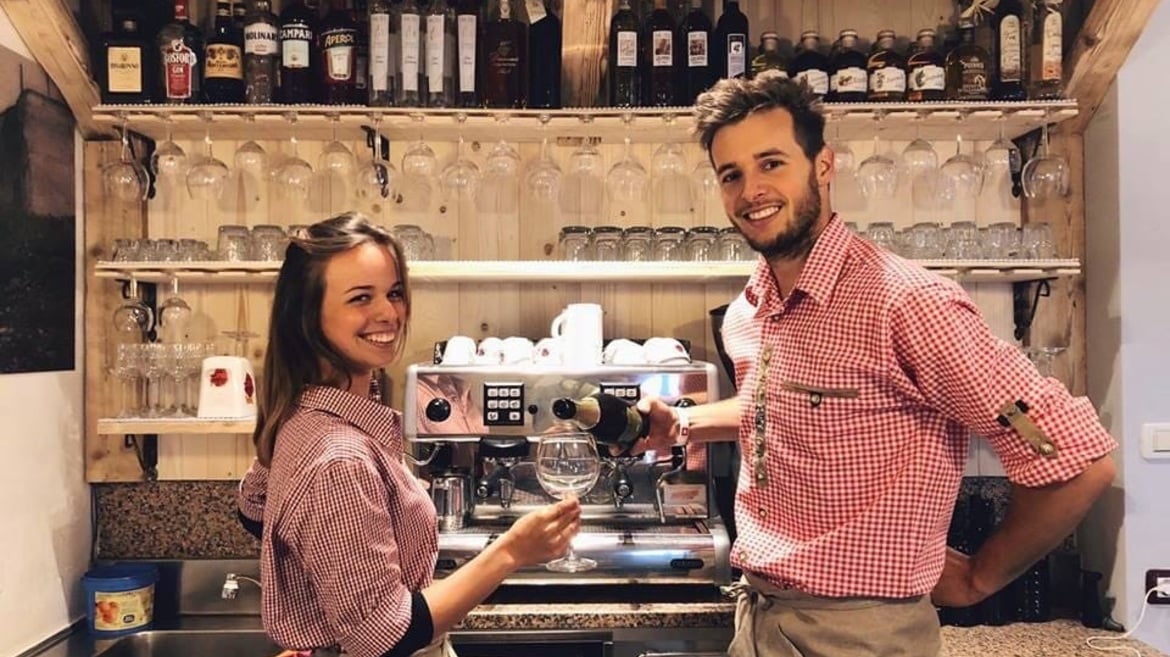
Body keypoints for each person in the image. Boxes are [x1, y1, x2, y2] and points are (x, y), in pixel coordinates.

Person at [631, 71, 1118, 657]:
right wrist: (684, 423)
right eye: (731, 174)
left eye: (771, 163)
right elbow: (786, 405)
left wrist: (978, 578)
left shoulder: (906, 303)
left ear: (823, 166)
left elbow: (1076, 461)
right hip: (760, 618)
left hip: (860, 635)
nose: (751, 190)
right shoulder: (749, 311)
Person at [236, 213, 581, 657]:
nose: (389, 313)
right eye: (361, 298)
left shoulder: (302, 414)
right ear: (307, 315)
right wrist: (511, 551)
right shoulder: (339, 458)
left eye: (394, 293)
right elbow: (384, 635)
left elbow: (254, 509)